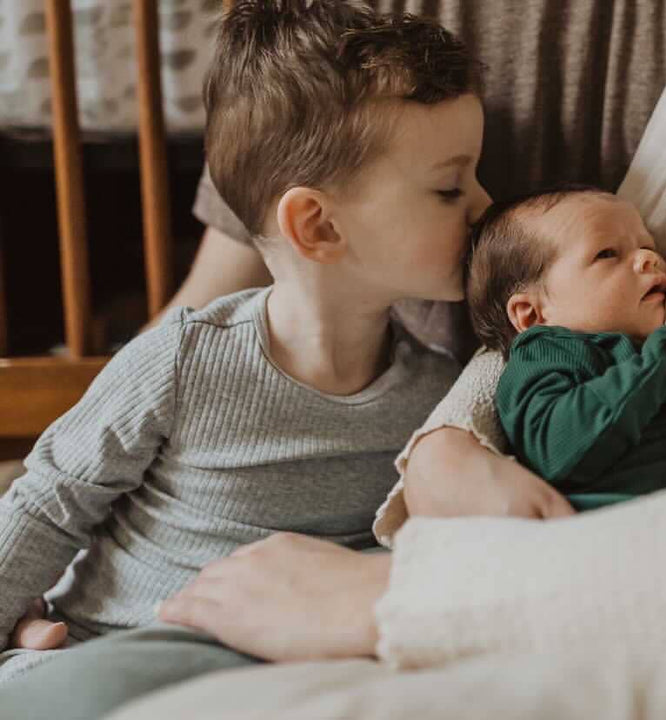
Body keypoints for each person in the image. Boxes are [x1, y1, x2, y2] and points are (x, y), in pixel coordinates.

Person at [10, 0, 666, 717]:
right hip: (538, 569)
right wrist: (447, 444)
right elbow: (566, 278)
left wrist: (394, 600)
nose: (481, 215)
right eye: (450, 191)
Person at [0, 0, 487, 686]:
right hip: (111, 651)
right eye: (448, 187)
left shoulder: (438, 396)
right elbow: (48, 503)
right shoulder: (181, 363)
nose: (484, 205)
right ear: (317, 226)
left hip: (266, 676)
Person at [464, 187, 666, 513]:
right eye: (606, 254)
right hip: (588, 531)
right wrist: (658, 365)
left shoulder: (639, 350)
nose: (649, 259)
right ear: (533, 315)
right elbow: (559, 449)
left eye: (647, 246)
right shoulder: (544, 355)